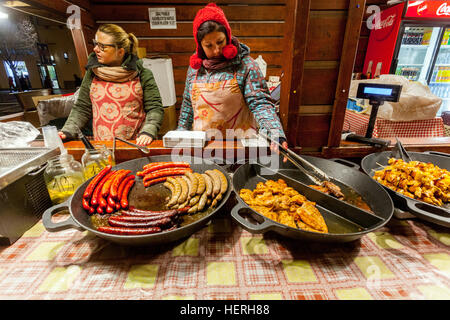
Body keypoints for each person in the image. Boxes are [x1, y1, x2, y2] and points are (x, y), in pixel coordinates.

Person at [177, 3, 288, 153]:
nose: (217, 50)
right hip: (203, 148)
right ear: (200, 46)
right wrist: (180, 134)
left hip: (240, 148)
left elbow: (260, 103)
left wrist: (275, 133)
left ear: (228, 37)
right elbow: (187, 106)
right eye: (208, 45)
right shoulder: (194, 69)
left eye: (220, 42)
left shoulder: (246, 65)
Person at [59, 24, 164, 146]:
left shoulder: (142, 74)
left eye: (102, 46)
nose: (95, 49)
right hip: (103, 146)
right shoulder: (92, 73)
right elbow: (82, 108)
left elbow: (154, 108)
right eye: (96, 43)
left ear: (120, 52)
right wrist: (68, 130)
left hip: (136, 145)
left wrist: (148, 131)